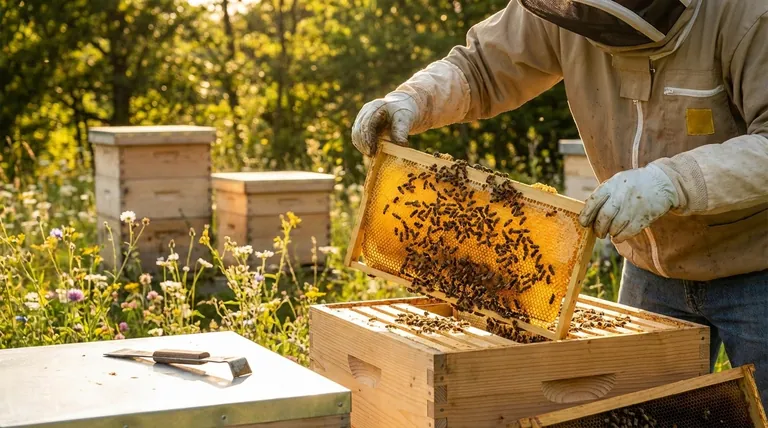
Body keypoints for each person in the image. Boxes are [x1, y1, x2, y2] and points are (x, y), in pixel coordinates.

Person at [351, 0, 768, 408]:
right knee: (635, 416)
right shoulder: (570, 7)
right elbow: (481, 66)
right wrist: (412, 99)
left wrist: (672, 181)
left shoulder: (749, 15)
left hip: (756, 270)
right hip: (649, 269)